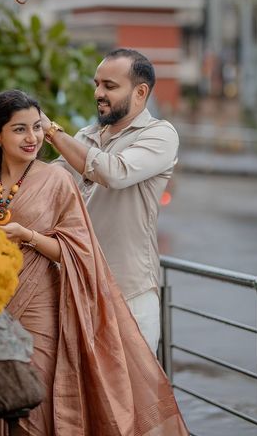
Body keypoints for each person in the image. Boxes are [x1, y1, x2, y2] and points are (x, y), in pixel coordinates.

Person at [0, 89, 188, 436]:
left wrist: (27, 235)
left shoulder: (57, 179)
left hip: (40, 309)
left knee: (32, 405)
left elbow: (80, 249)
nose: (33, 138)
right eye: (19, 129)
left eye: (37, 127)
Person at [40, 48, 179, 353]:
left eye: (110, 86)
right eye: (97, 84)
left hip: (129, 294)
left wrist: (50, 130)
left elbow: (114, 173)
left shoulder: (160, 134)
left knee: (131, 398)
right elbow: (50, 182)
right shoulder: (86, 136)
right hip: (80, 289)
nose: (98, 93)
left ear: (141, 92)